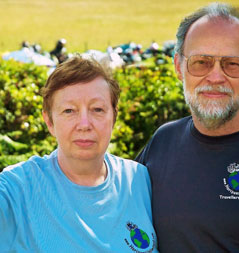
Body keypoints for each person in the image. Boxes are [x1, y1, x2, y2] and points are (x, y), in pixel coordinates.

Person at [136, 2, 239, 252]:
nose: (215, 77)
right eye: (201, 62)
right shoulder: (162, 142)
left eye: (232, 64)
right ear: (179, 67)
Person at [0, 56, 158, 252]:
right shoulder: (16, 189)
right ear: (49, 121)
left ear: (113, 117)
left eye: (97, 109)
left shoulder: (139, 180)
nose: (84, 124)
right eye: (69, 111)